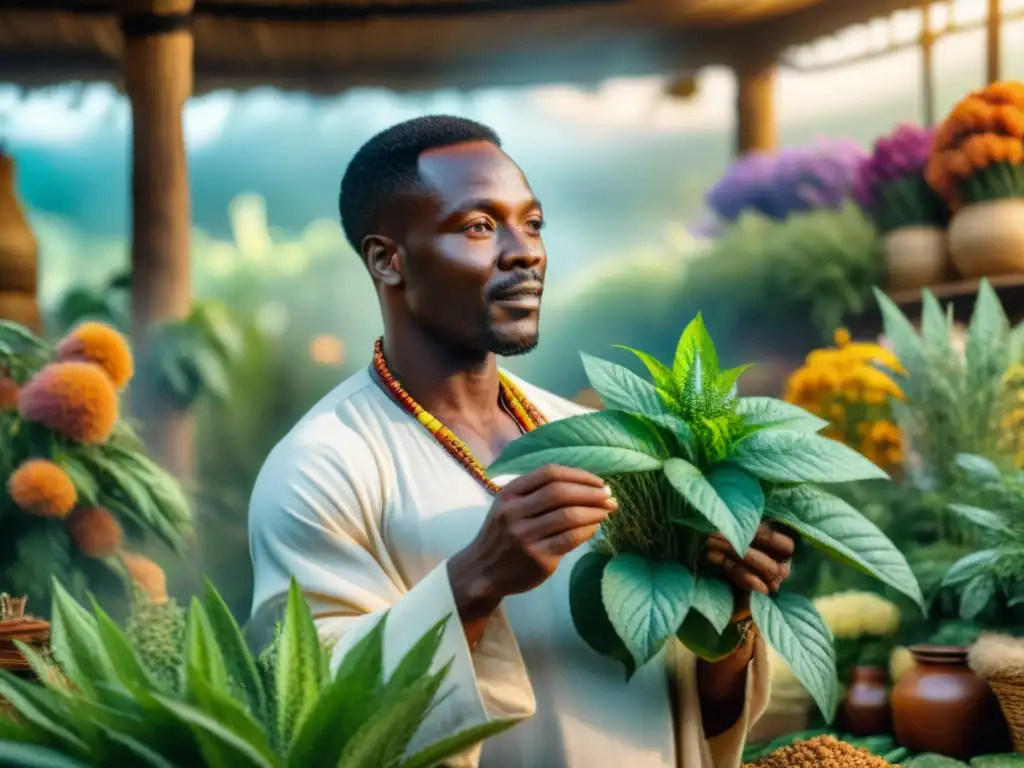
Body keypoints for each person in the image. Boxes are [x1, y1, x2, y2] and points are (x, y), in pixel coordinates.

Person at [248, 115, 795, 767]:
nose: (525, 252)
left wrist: (726, 614)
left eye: (532, 224)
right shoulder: (321, 467)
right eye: (480, 226)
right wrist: (474, 580)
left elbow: (690, 704)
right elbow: (312, 716)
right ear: (386, 259)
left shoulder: (604, 440)